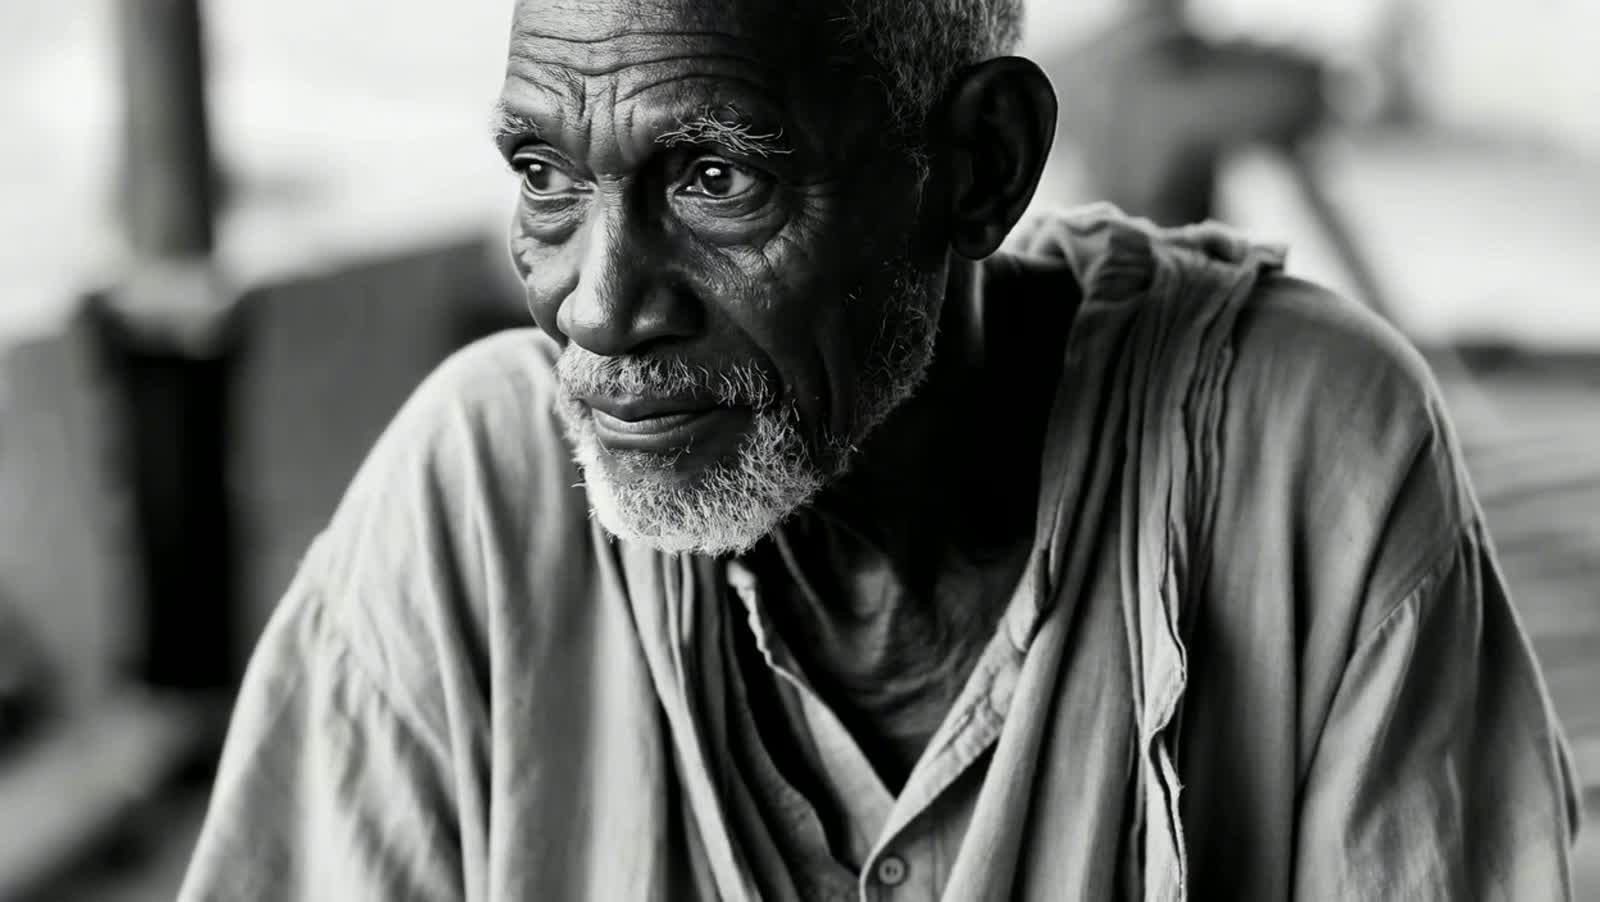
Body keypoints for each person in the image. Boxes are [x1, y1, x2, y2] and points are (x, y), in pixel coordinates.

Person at [177, 0, 1581, 898]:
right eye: (544, 176)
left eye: (715, 177)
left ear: (979, 169)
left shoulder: (1305, 454)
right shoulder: (479, 499)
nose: (596, 307)